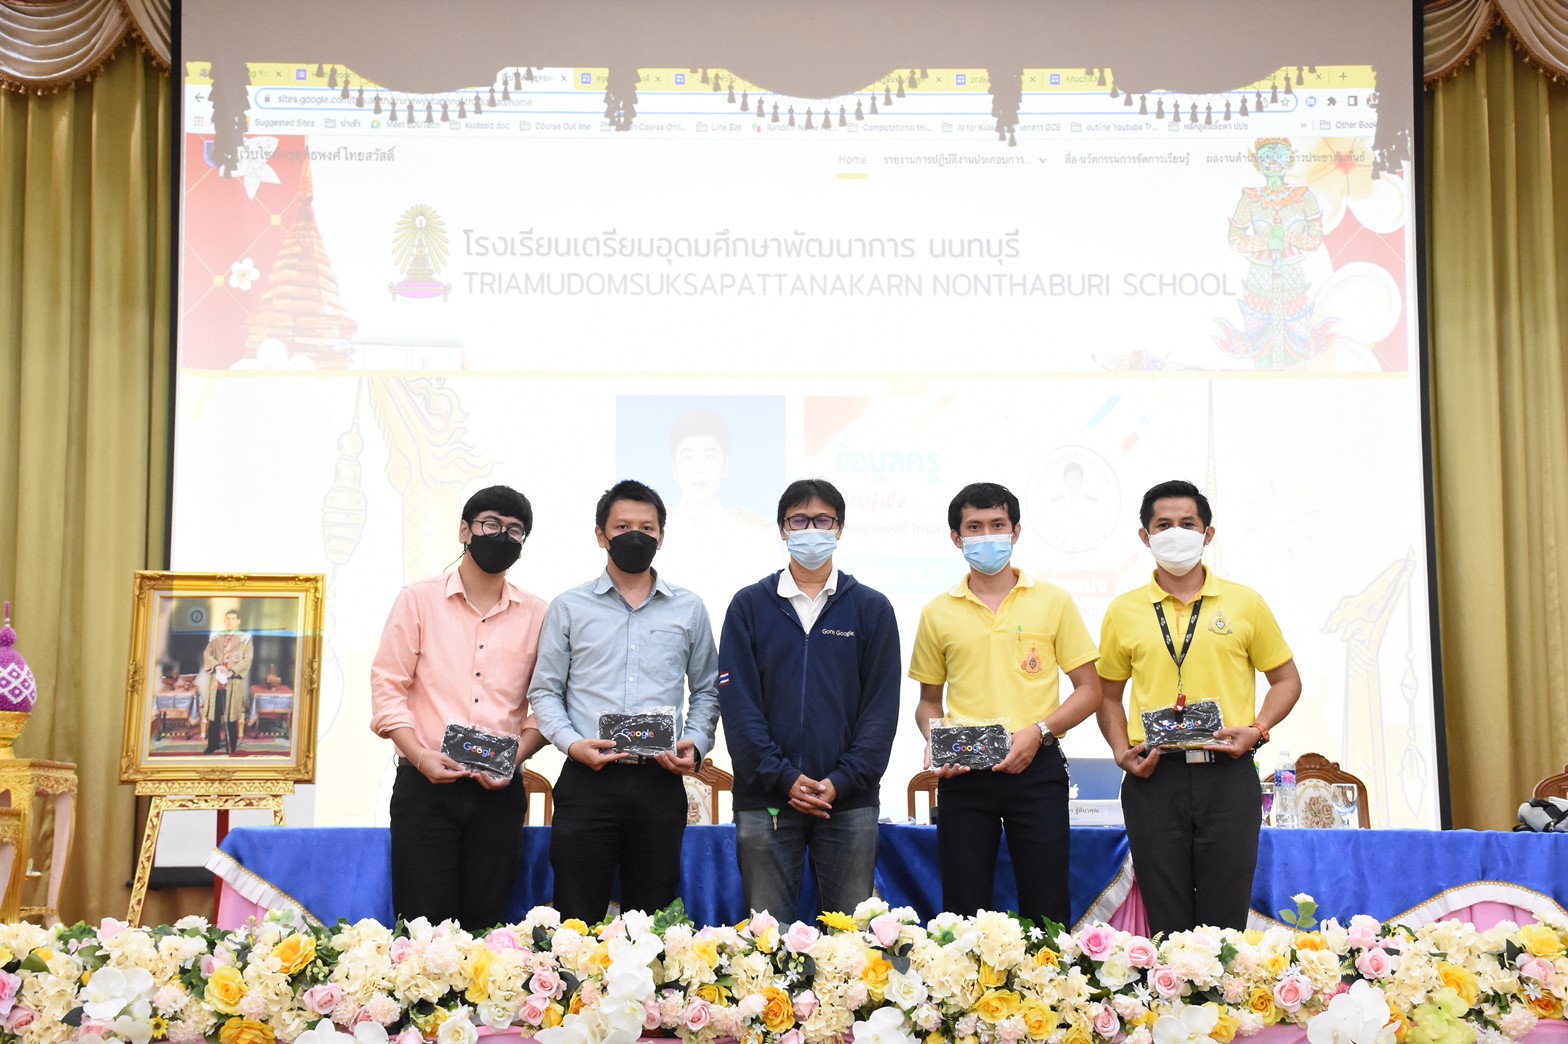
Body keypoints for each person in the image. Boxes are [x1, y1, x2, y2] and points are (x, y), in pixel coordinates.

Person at [1095, 479, 1302, 935]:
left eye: (1187, 524)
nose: (1176, 533)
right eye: (1163, 525)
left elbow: (1286, 680)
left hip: (1228, 774)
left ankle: (1220, 984)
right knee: (1165, 919)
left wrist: (1258, 729)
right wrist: (1120, 751)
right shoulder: (1123, 610)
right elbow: (1107, 694)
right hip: (1154, 776)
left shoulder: (1245, 603)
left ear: (1208, 533)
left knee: (1224, 919)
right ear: (1145, 536)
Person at [908, 482, 1102, 925]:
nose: (987, 536)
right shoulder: (938, 612)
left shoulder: (1053, 601)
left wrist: (1040, 731)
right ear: (956, 538)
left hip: (1037, 766)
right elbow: (927, 702)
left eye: (997, 525)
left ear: (1015, 532)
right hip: (964, 772)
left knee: (1047, 903)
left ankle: (1049, 972)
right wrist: (935, 738)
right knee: (963, 907)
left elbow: (1089, 690)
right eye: (974, 527)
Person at [529, 479, 721, 923]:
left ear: (661, 536)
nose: (636, 536)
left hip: (659, 780)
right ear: (601, 535)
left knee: (654, 922)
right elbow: (544, 690)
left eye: (647, 528)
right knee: (576, 919)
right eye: (622, 527)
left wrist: (695, 742)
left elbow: (707, 689)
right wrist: (571, 743)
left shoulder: (689, 608)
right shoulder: (569, 607)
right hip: (587, 779)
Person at [719, 478, 901, 920]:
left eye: (822, 520)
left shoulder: (871, 608)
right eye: (799, 520)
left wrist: (843, 780)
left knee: (850, 942)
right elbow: (739, 708)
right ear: (783, 529)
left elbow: (880, 711)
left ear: (839, 529)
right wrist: (783, 778)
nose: (811, 530)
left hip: (849, 802)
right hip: (766, 801)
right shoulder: (749, 606)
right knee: (767, 944)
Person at [370, 484, 548, 929]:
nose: (502, 536)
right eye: (491, 524)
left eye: (515, 530)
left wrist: (515, 759)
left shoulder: (538, 614)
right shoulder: (418, 600)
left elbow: (549, 704)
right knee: (422, 929)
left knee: (487, 930)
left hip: (499, 790)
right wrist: (419, 754)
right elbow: (388, 686)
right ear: (465, 531)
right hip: (425, 785)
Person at [202, 610, 253, 754]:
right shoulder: (216, 637)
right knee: (214, 715)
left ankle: (231, 744)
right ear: (224, 621)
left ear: (238, 621)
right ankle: (213, 744)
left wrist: (233, 671)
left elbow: (247, 659)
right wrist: (217, 666)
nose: (230, 621)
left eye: (233, 618)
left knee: (231, 714)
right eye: (228, 618)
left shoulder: (245, 639)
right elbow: (207, 654)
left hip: (233, 682)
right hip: (217, 682)